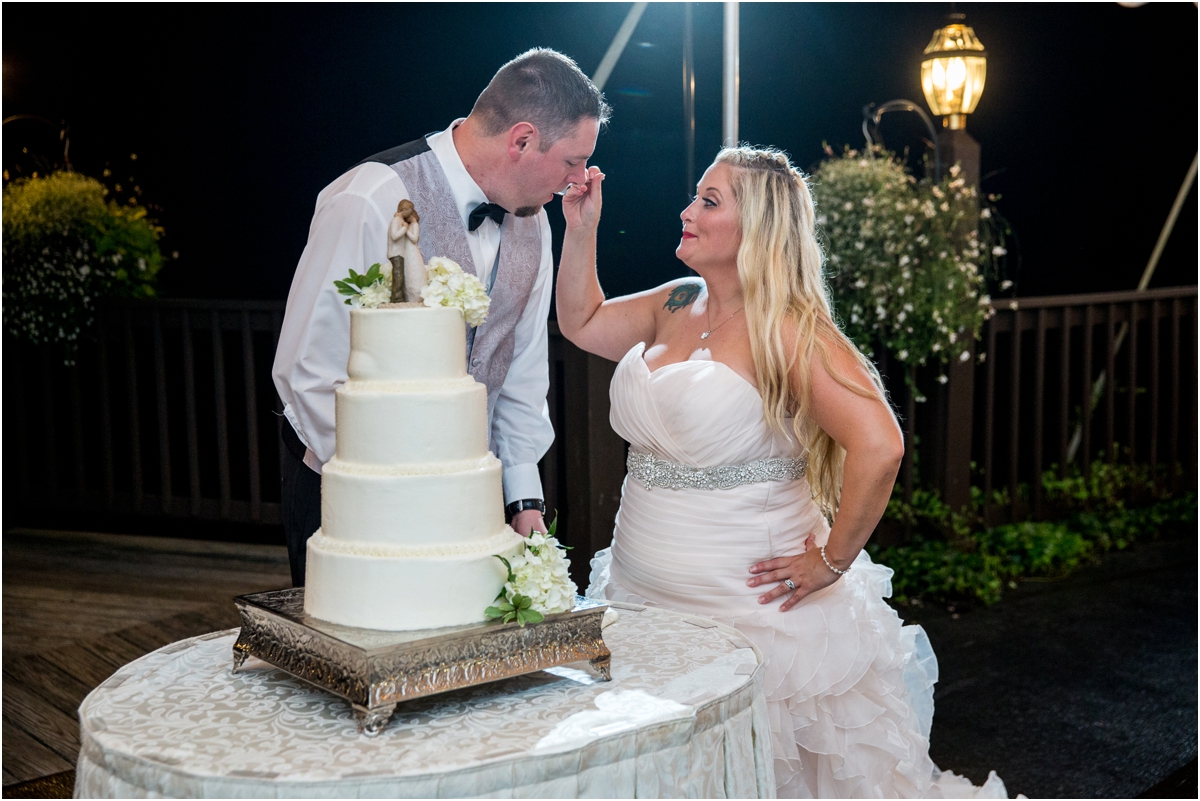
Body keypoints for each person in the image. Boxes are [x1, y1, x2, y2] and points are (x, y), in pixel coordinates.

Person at [556, 148, 1010, 798]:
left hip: (751, 616)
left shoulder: (789, 331)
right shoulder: (677, 299)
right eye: (695, 197)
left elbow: (879, 445)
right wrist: (580, 226)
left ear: (760, 229)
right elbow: (582, 320)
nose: (687, 211)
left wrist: (831, 559)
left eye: (709, 202)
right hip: (641, 596)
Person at [273, 48, 610, 587]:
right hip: (351, 494)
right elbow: (308, 372)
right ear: (521, 140)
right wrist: (394, 490)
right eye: (572, 161)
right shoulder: (371, 198)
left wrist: (523, 498)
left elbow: (519, 371)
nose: (578, 180)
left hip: (470, 500)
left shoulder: (537, 226)